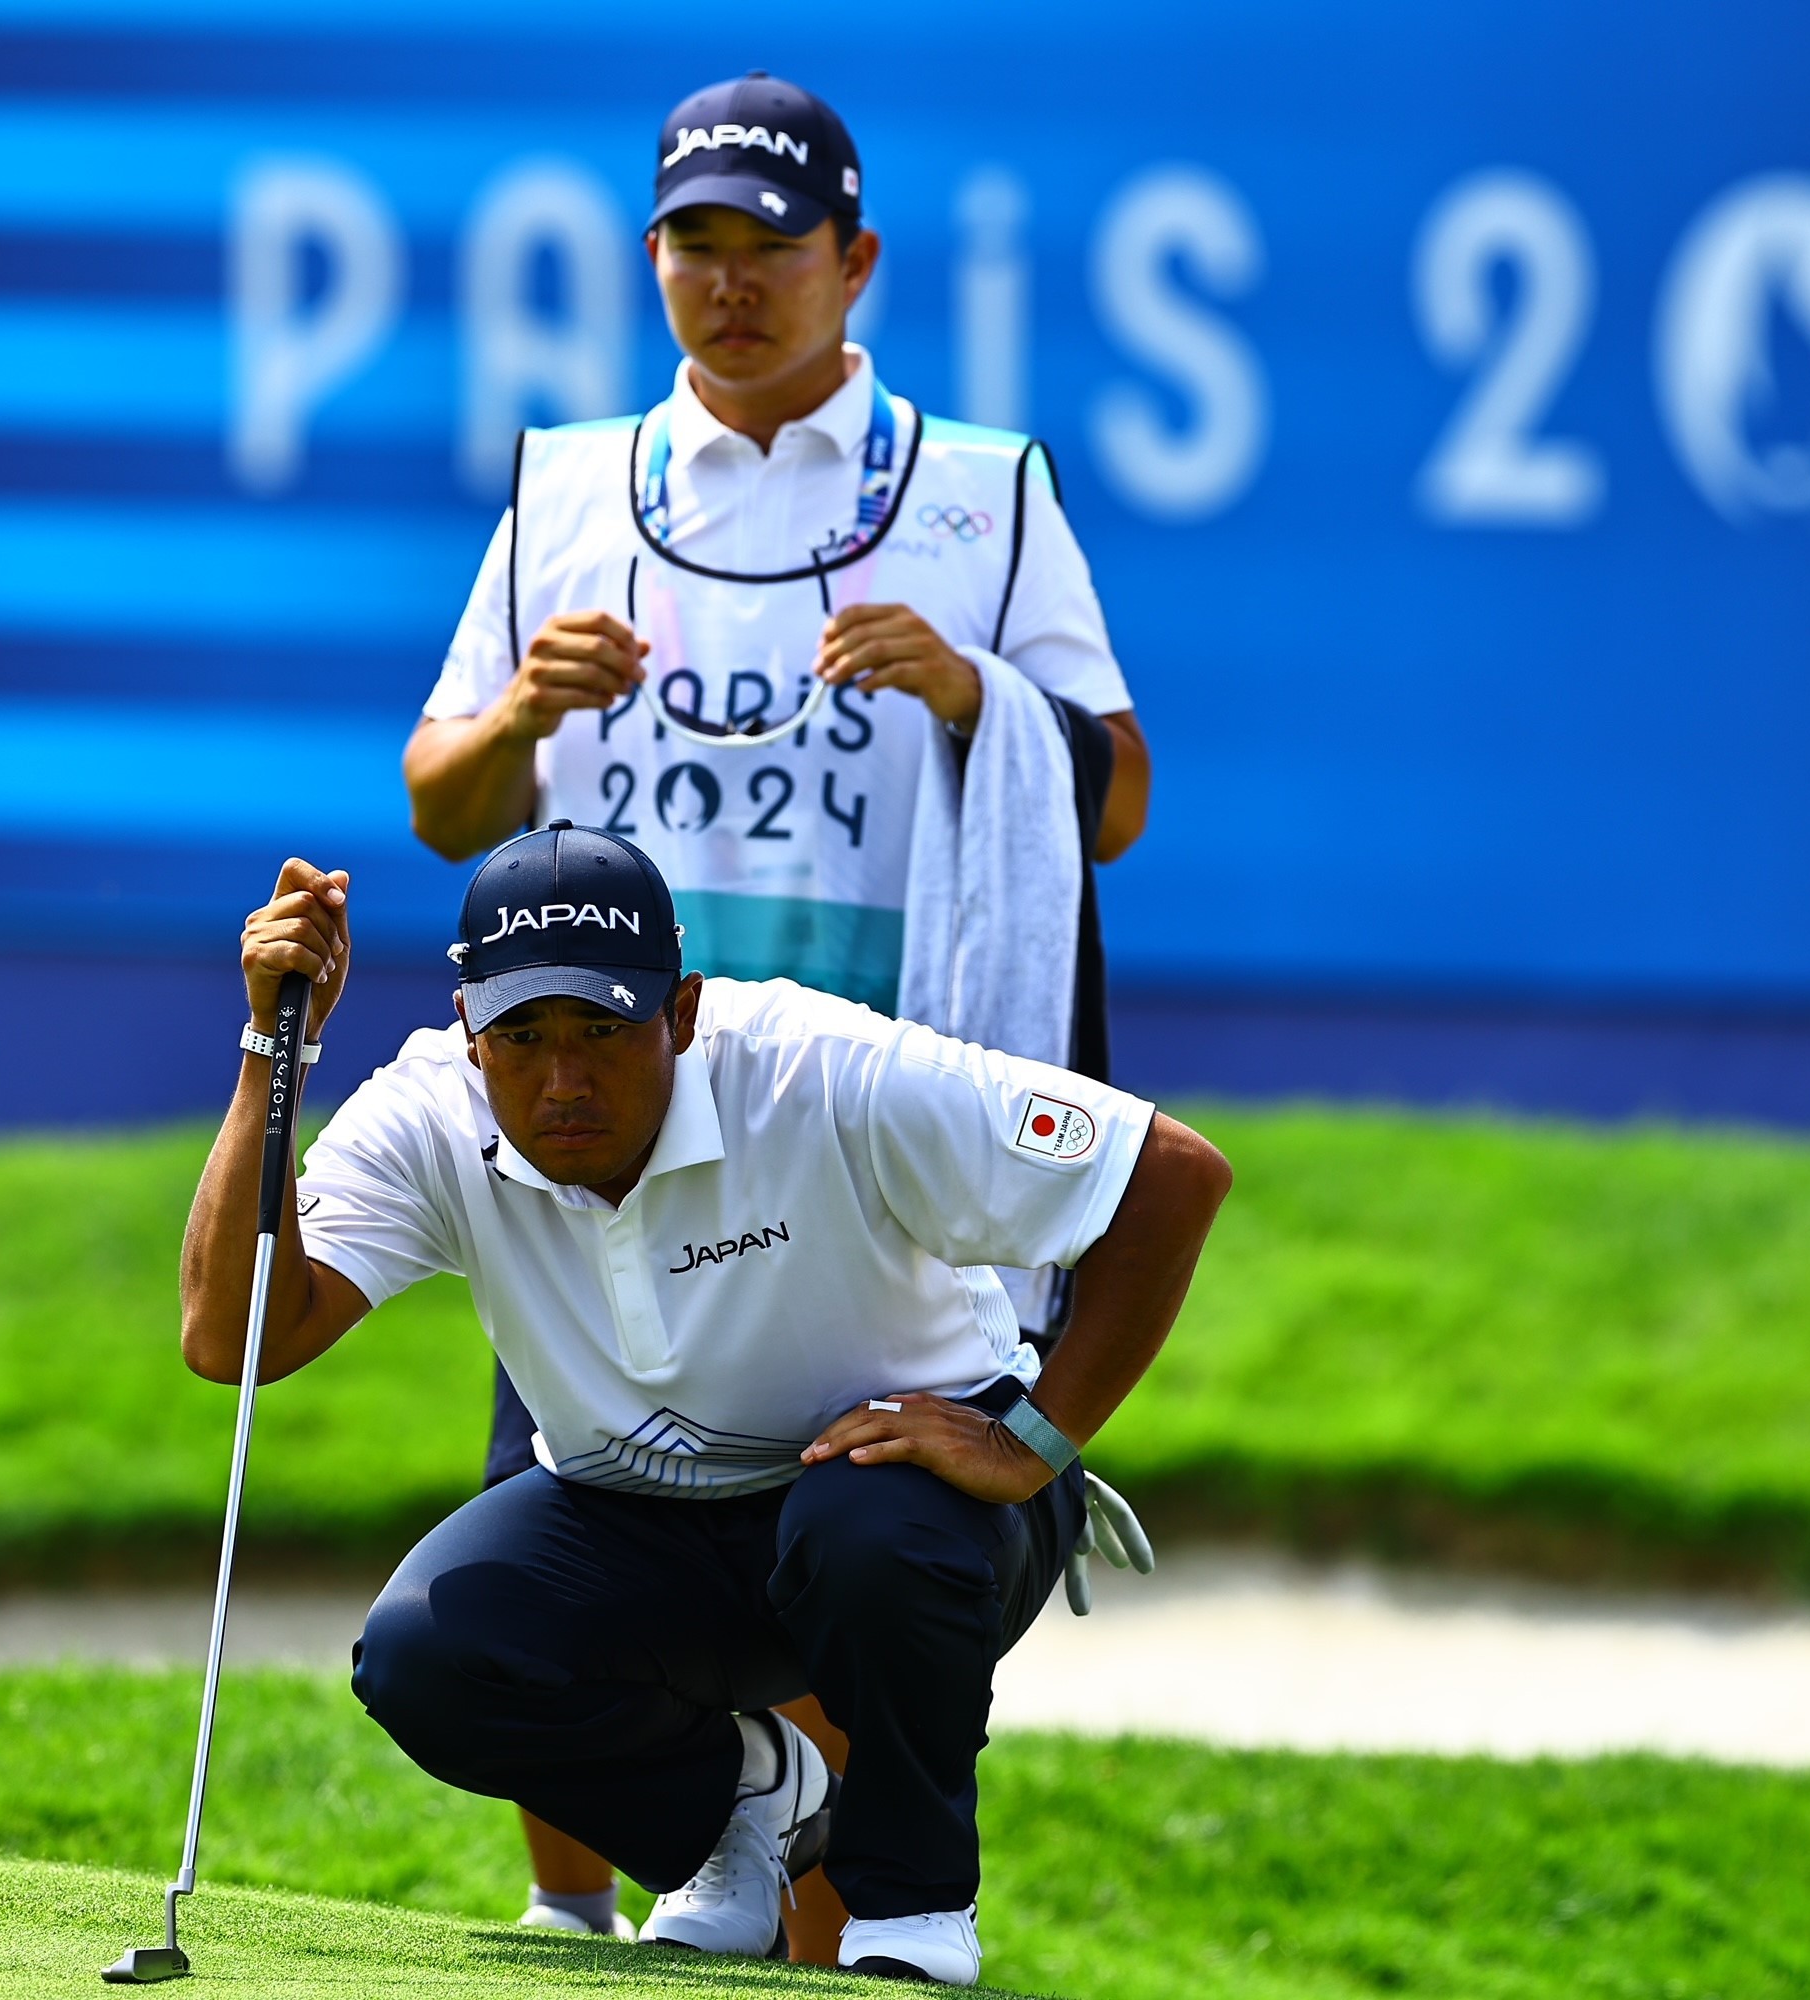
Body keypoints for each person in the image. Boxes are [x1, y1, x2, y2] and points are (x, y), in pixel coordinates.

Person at [398, 69, 1152, 1945]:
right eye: (693, 247)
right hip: (599, 1100)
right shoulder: (568, 485)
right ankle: (575, 1924)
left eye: (772, 247)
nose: (730, 286)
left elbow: (1118, 795)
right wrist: (517, 718)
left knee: (819, 1548)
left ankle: (814, 1946)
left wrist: (979, 694)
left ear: (857, 259)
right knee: (562, 1520)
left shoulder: (979, 498)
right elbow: (439, 804)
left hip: (844, 1137)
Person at [182, 828, 1229, 1985]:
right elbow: (236, 1336)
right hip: (643, 1520)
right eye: (523, 1035)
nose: (563, 1077)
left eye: (603, 1029)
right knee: (429, 1652)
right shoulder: (431, 1109)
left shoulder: (822, 1066)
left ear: (680, 1011)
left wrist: (1028, 1440)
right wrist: (269, 1053)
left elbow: (1171, 1175)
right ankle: (740, 1806)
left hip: (914, 1500)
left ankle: (914, 1915)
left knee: (862, 1527)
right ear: (472, 1030)